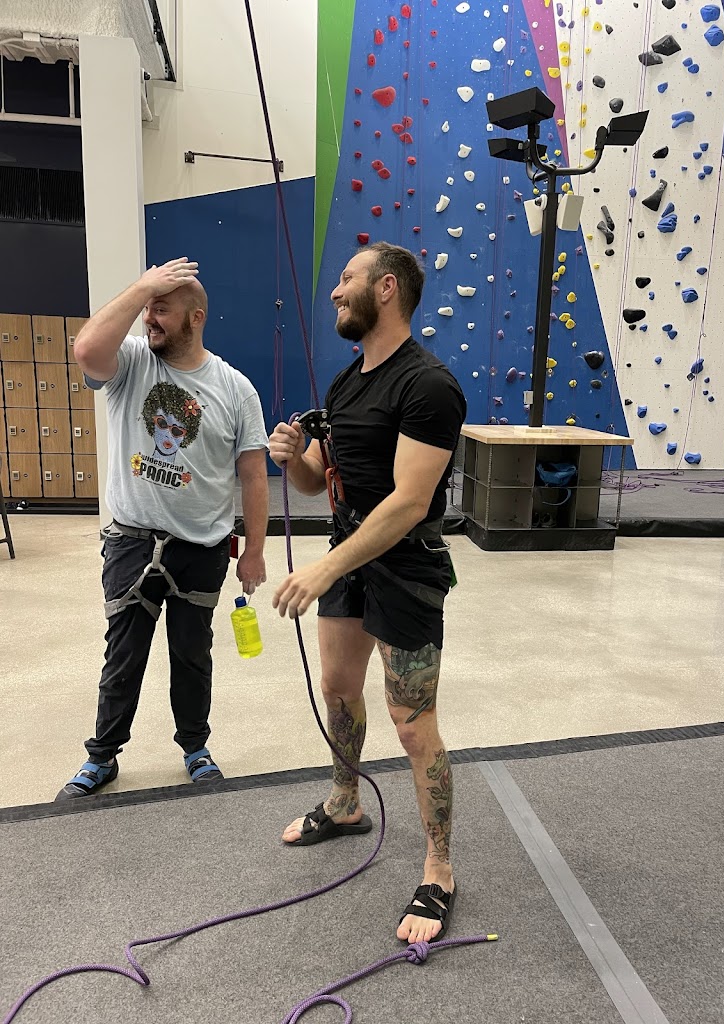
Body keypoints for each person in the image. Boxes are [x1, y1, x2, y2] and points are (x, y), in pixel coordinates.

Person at [268, 242, 467, 944]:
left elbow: (410, 502)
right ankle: (345, 801)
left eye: (347, 278)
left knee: (412, 721)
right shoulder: (347, 384)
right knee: (337, 687)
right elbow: (319, 479)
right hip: (349, 560)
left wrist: (325, 568)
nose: (335, 291)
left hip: (407, 570)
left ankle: (439, 868)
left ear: (386, 288)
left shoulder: (428, 386)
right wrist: (293, 459)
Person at [57, 258, 270, 800]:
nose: (149, 318)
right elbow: (86, 350)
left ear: (196, 318)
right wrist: (144, 287)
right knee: (123, 654)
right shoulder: (130, 361)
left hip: (201, 548)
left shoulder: (235, 389)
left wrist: (255, 551)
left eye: (162, 310)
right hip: (132, 542)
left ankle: (195, 748)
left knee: (192, 655)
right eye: (147, 307)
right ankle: (102, 756)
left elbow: (253, 474)